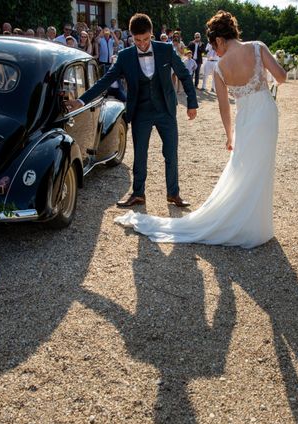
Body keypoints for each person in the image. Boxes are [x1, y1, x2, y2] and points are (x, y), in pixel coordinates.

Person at [110, 10, 286, 249]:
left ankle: (237, 218)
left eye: (215, 47)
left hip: (244, 121)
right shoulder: (258, 47)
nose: (216, 52)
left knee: (242, 168)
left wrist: (229, 135)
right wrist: (267, 72)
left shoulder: (221, 68)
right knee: (261, 167)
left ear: (220, 40)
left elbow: (224, 108)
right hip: (266, 114)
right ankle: (256, 224)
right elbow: (282, 77)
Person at [65, 13, 198, 208]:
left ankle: (173, 194)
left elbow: (185, 76)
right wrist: (81, 100)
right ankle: (138, 194)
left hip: (165, 111)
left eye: (145, 39)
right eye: (137, 40)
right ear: (132, 37)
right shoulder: (125, 56)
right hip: (140, 111)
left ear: (151, 34)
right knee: (140, 154)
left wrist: (192, 103)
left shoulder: (166, 49)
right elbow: (105, 81)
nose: (142, 44)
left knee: (171, 153)